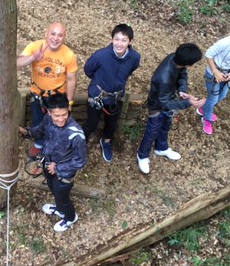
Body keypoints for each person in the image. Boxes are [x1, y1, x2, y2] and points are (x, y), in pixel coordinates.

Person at [19, 93, 87, 232]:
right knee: (53, 188)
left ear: (68, 109)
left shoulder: (75, 134)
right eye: (57, 115)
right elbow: (39, 131)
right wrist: (26, 132)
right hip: (48, 163)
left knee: (63, 198)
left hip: (64, 173)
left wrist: (58, 168)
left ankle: (70, 217)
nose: (61, 119)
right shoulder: (48, 119)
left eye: (64, 114)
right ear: (49, 112)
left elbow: (80, 161)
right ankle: (60, 210)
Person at [136, 43, 205, 175]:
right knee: (152, 131)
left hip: (169, 97)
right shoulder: (163, 77)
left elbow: (182, 73)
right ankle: (142, 155)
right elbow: (164, 103)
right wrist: (188, 102)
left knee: (165, 126)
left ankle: (161, 148)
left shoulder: (176, 58)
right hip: (157, 105)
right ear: (189, 64)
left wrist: (182, 90)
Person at [17, 22, 78, 159]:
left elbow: (71, 79)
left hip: (57, 95)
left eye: (60, 35)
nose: (56, 38)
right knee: (38, 121)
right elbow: (17, 63)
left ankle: (54, 147)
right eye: (53, 34)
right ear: (46, 34)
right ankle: (39, 144)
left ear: (64, 37)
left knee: (58, 122)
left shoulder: (68, 55)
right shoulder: (35, 46)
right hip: (38, 93)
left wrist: (69, 102)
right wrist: (32, 58)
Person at [82, 23, 141, 162]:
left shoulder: (134, 57)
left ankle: (106, 141)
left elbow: (131, 70)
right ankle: (80, 143)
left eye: (124, 40)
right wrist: (100, 82)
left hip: (116, 97)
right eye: (116, 39)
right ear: (112, 39)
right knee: (91, 122)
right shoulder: (101, 55)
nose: (119, 43)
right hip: (97, 95)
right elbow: (88, 70)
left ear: (130, 42)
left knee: (112, 123)